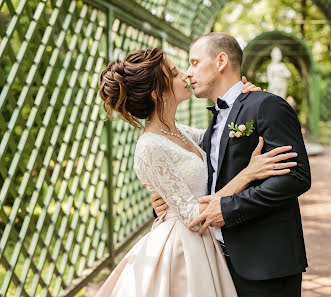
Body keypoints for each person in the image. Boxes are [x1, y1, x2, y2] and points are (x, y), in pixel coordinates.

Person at [95, 47, 299, 297]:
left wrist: (245, 101)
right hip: (182, 248)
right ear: (157, 93)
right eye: (174, 73)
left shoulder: (182, 132)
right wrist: (248, 174)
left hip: (212, 244)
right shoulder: (148, 146)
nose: (185, 76)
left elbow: (224, 144)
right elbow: (192, 215)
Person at [154, 32, 311, 297]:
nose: (189, 73)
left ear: (221, 60)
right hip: (216, 259)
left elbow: (296, 175)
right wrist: (166, 199)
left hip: (265, 262)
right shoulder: (213, 122)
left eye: (195, 62)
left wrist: (228, 209)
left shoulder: (267, 106)